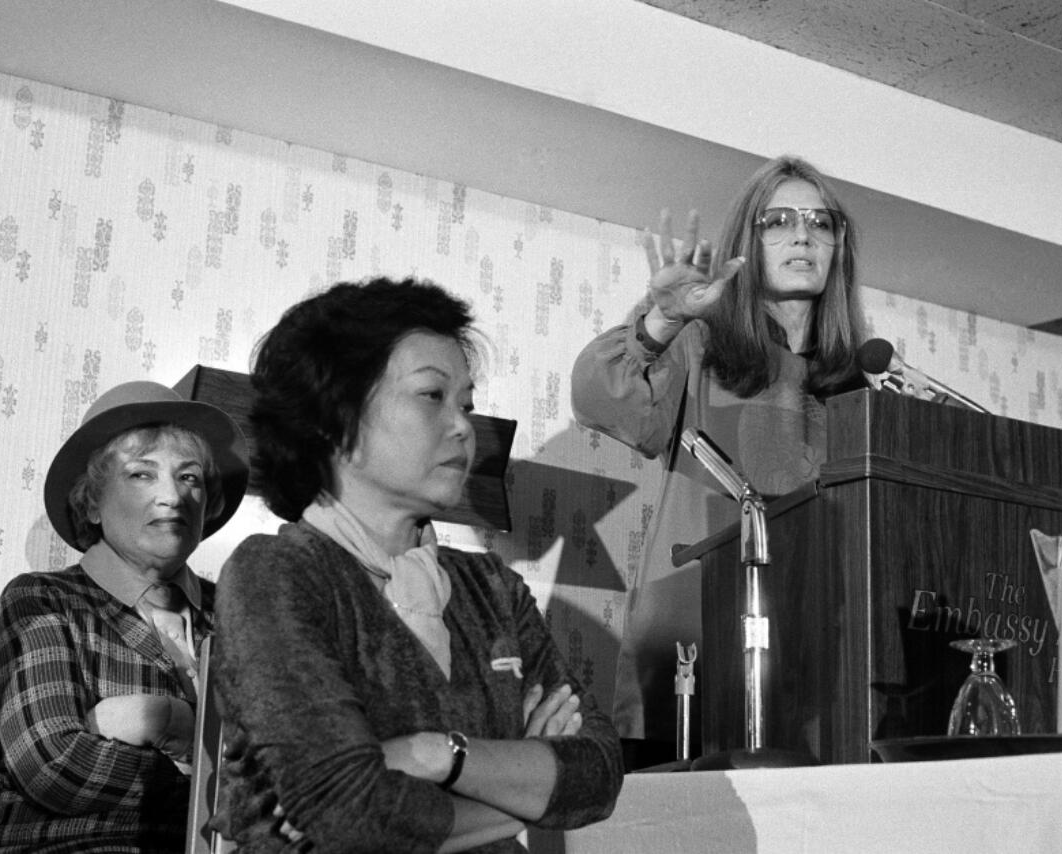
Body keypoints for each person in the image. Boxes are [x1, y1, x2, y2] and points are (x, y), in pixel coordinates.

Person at [212, 277, 624, 853]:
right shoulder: (276, 573)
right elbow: (348, 810)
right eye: (432, 396)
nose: (463, 427)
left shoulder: (493, 588)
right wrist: (525, 791)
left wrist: (435, 754)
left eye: (466, 405)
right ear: (334, 417)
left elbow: (599, 774)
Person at [571, 155, 867, 757]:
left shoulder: (857, 388)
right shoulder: (699, 346)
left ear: (839, 246)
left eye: (821, 222)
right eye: (778, 220)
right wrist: (660, 321)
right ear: (747, 243)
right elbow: (597, 396)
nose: (803, 234)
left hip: (815, 652)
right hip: (690, 643)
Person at [0, 381, 249, 853]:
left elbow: (288, 766)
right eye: (141, 475)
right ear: (92, 501)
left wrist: (155, 726)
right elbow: (53, 765)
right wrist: (198, 762)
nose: (173, 496)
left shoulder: (238, 612)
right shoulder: (44, 600)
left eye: (190, 477)